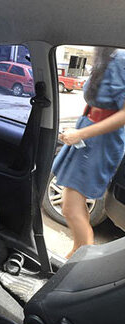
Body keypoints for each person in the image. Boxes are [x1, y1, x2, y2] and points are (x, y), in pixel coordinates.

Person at [53, 47, 125, 259]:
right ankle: (77, 252)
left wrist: (80, 134)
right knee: (71, 207)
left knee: (71, 209)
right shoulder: (107, 56)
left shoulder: (120, 58)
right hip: (88, 135)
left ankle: (83, 257)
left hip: (99, 141)